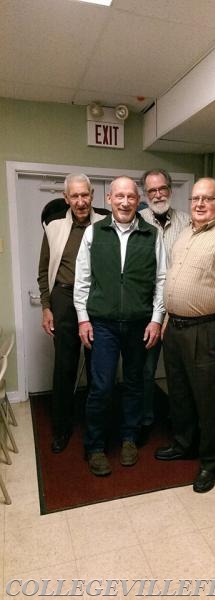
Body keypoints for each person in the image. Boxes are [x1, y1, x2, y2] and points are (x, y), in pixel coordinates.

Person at [155, 177, 215, 493]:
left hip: (209, 330)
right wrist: (169, 316)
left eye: (207, 199)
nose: (199, 204)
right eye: (195, 198)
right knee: (180, 393)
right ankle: (184, 443)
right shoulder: (185, 234)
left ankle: (211, 462)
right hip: (176, 329)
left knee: (211, 401)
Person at [74, 176, 166, 477]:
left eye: (130, 197)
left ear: (137, 200)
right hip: (103, 324)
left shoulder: (152, 234)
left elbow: (161, 281)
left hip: (140, 323)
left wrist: (156, 319)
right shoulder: (93, 232)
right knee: (100, 387)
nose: (125, 202)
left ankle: (129, 438)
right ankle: (96, 447)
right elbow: (82, 281)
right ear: (109, 199)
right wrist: (83, 318)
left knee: (135, 384)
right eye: (119, 196)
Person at [38, 174, 108, 453]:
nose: (80, 201)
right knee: (65, 367)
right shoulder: (54, 227)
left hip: (97, 298)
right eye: (74, 196)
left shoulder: (106, 223)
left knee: (98, 367)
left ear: (92, 196)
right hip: (63, 299)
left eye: (85, 195)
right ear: (66, 198)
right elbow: (43, 271)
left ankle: (97, 427)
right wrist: (46, 306)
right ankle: (62, 428)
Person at [139, 169, 190, 431]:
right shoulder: (137, 221)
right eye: (152, 191)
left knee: (179, 372)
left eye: (162, 189)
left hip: (180, 311)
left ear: (170, 189)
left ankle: (179, 421)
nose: (158, 194)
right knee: (146, 371)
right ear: (144, 194)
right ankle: (146, 420)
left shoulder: (188, 222)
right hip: (148, 312)